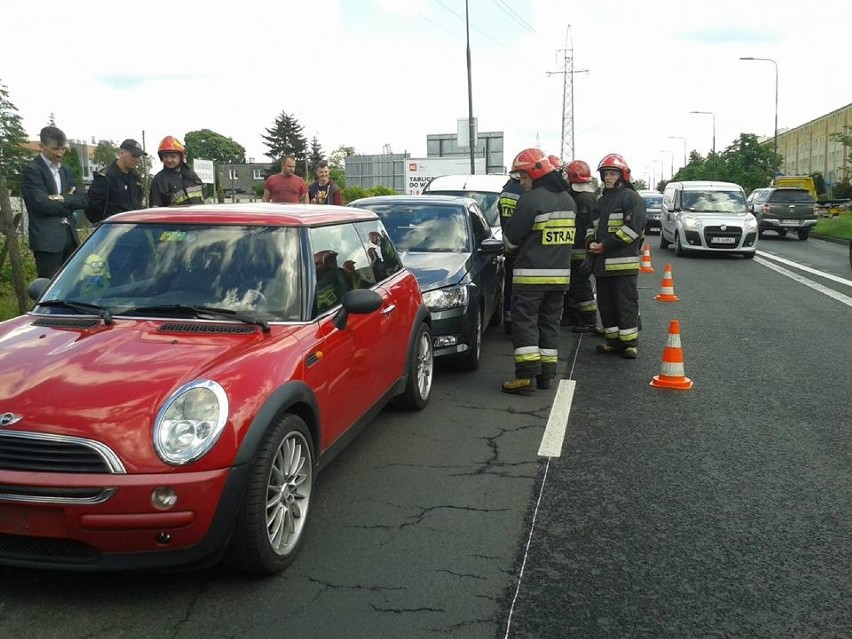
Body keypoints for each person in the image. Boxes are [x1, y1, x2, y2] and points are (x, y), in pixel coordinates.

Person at [502, 149, 576, 395]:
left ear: (535, 174)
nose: (521, 183)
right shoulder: (568, 200)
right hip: (559, 279)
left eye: (523, 177)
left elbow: (512, 240)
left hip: (530, 277)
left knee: (525, 325)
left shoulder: (531, 200)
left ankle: (525, 377)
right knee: (549, 324)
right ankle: (546, 375)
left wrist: (509, 248)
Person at [585, 153, 646, 359]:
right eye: (605, 174)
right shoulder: (601, 201)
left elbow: (632, 229)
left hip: (622, 265)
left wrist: (605, 245)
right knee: (606, 304)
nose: (607, 178)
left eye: (612, 174)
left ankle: (629, 343)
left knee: (625, 303)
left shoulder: (631, 198)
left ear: (623, 175)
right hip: (602, 265)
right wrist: (590, 242)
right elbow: (591, 227)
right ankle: (613, 341)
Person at [21, 126, 89, 278]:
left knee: (72, 284)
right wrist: (69, 203)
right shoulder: (33, 170)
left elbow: (84, 200)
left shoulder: (66, 171)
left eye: (63, 149)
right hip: (47, 241)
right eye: (55, 149)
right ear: (41, 146)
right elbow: (41, 204)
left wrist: (60, 198)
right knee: (49, 287)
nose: (59, 153)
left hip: (70, 237)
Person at [562, 160, 599, 332]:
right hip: (576, 249)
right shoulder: (583, 196)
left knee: (580, 284)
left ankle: (588, 319)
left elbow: (588, 227)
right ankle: (573, 315)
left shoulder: (583, 199)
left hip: (580, 251)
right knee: (573, 285)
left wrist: (590, 256)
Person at [85, 139, 145, 223]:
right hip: (113, 228)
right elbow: (93, 208)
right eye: (134, 155)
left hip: (133, 226)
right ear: (121, 153)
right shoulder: (106, 177)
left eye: (139, 157)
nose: (137, 160)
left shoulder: (135, 177)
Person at [497, 174, 525, 334]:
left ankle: (509, 322)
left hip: (510, 248)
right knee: (519, 291)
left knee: (509, 288)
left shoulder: (507, 190)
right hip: (521, 250)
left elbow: (505, 221)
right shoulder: (524, 191)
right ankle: (514, 324)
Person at [149, 136, 204, 207]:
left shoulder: (192, 175)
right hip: (174, 217)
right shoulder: (159, 180)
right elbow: (155, 208)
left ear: (180, 157)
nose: (168, 160)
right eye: (165, 156)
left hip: (196, 215)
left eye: (173, 156)